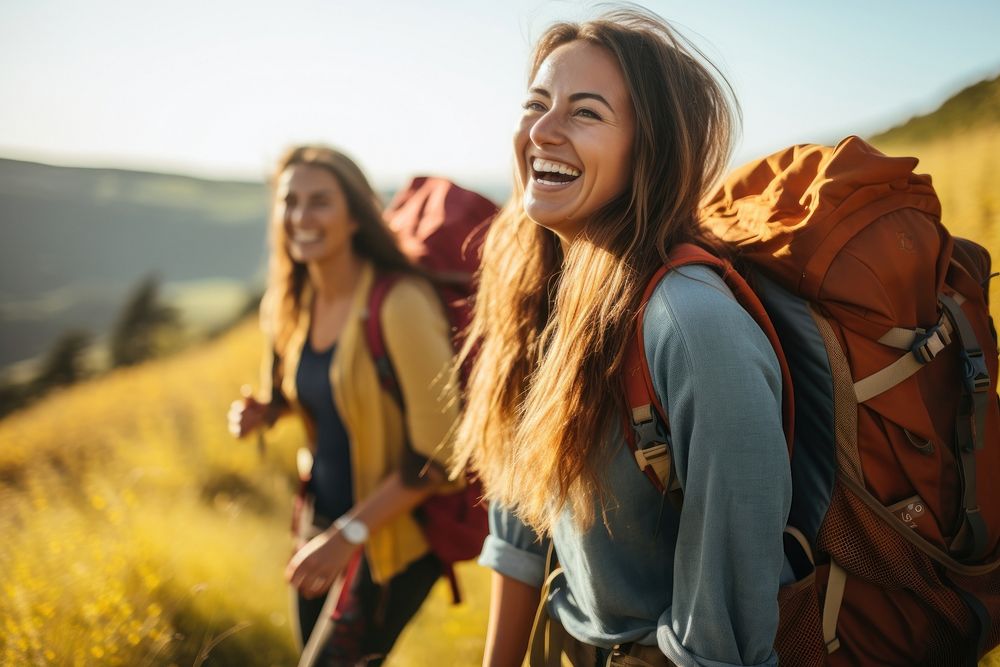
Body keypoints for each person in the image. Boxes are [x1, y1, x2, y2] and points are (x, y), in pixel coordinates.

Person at [451, 8, 792, 667]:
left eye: (585, 113)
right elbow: (521, 522)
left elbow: (718, 630)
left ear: (650, 150)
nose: (542, 131)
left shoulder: (693, 325)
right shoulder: (541, 287)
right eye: (537, 102)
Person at [228, 145, 460, 666]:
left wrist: (347, 536)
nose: (301, 217)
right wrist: (268, 412)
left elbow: (442, 455)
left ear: (355, 214)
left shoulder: (399, 303)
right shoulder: (290, 301)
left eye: (320, 202)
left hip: (389, 538)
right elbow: (319, 393)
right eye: (290, 202)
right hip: (320, 520)